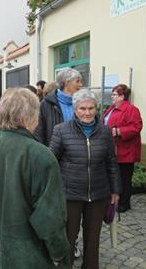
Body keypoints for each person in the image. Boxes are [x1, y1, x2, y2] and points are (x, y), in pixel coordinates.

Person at [0, 88, 70, 268]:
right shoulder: (41, 155)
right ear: (27, 118)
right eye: (37, 115)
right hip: (25, 253)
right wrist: (58, 253)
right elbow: (50, 216)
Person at [49, 89, 120, 269]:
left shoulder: (105, 132)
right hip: (70, 194)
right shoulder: (61, 130)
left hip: (98, 194)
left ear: (96, 108)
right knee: (69, 237)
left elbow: (112, 162)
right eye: (82, 108)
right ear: (75, 109)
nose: (87, 113)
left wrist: (115, 190)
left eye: (91, 108)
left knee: (93, 237)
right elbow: (50, 161)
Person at [102, 84, 142, 213]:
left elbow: (136, 127)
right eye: (112, 94)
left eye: (114, 94)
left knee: (124, 178)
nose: (112, 97)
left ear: (122, 96)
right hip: (111, 148)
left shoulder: (131, 109)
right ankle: (113, 200)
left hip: (125, 151)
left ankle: (124, 203)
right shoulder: (112, 108)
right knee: (113, 177)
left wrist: (119, 131)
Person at [35, 68, 83, 146]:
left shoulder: (83, 102)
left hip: (78, 152)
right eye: (77, 81)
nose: (81, 85)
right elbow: (39, 132)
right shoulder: (46, 104)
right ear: (67, 83)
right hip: (54, 153)